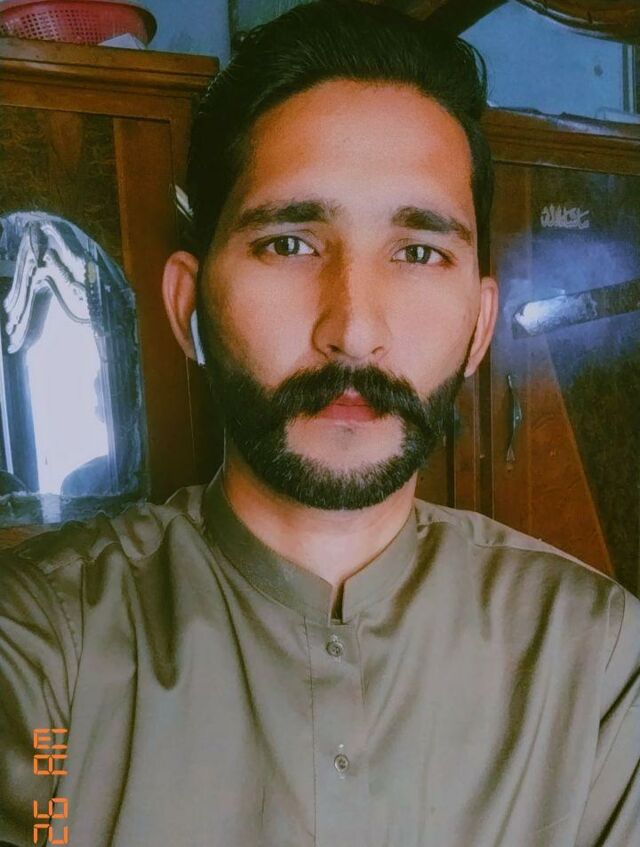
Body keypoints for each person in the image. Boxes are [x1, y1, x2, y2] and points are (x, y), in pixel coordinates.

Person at [1, 1, 638, 845]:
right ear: (189, 306)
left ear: (482, 326)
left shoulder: (597, 658)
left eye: (419, 252)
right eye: (290, 244)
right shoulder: (44, 647)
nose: (355, 329)